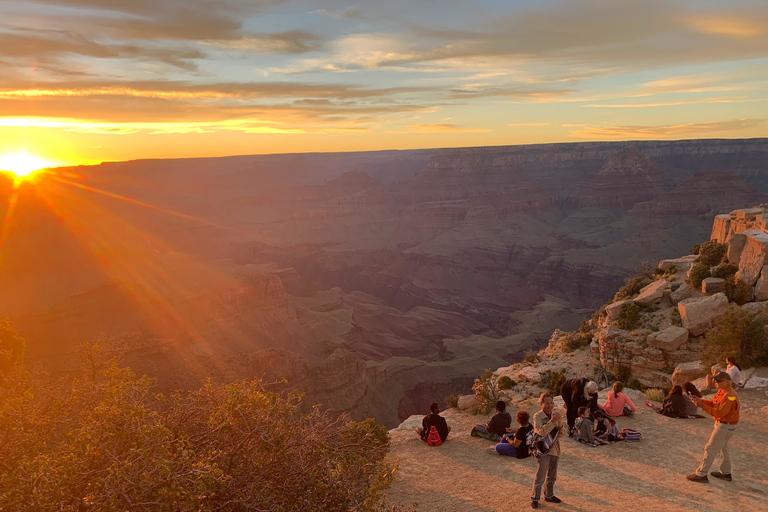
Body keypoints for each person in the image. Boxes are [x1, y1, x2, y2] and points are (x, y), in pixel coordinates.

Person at [687, 372, 740, 483]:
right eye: (715, 380)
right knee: (723, 448)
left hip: (725, 426)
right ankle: (726, 473)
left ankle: (701, 474)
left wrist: (702, 406)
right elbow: (715, 403)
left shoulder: (730, 395)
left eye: (719, 380)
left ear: (727, 382)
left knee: (710, 448)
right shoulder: (722, 391)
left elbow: (720, 413)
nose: (716, 382)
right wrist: (701, 401)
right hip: (725, 425)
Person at [530, 392, 565, 509]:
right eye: (547, 403)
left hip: (555, 449)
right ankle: (535, 498)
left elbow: (561, 434)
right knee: (540, 476)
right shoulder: (538, 416)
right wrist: (551, 422)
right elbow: (541, 432)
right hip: (544, 450)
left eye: (551, 403)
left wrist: (559, 423)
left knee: (552, 476)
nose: (550, 405)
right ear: (541, 404)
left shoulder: (554, 415)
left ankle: (549, 495)